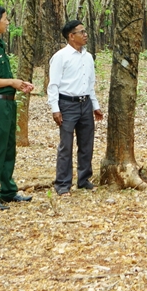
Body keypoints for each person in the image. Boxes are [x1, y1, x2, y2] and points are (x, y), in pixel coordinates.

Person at [0, 6, 34, 211]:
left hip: (8, 103)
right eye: (5, 18)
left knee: (9, 148)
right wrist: (12, 81)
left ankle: (8, 191)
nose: (8, 21)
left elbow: (2, 78)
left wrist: (17, 84)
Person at [47, 19, 103, 195]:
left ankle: (84, 179)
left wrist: (95, 105)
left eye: (85, 31)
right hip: (67, 104)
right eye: (81, 32)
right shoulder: (60, 57)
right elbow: (53, 85)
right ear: (71, 36)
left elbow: (90, 83)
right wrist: (55, 109)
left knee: (86, 143)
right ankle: (63, 183)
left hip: (85, 103)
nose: (85, 35)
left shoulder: (87, 57)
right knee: (66, 144)